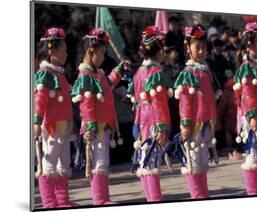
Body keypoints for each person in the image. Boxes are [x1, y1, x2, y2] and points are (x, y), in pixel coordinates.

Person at [71, 28, 129, 205]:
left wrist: (119, 70)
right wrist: (89, 126)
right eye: (101, 53)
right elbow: (86, 104)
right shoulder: (86, 75)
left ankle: (103, 198)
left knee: (103, 161)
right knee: (99, 162)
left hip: (103, 125)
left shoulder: (97, 74)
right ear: (91, 51)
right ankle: (99, 199)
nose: (103, 58)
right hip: (95, 127)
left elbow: (109, 83)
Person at [128, 26, 173, 202]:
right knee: (152, 162)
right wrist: (162, 127)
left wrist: (136, 124)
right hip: (154, 122)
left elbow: (136, 100)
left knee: (145, 161)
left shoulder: (139, 72)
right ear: (159, 51)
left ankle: (150, 198)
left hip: (141, 122)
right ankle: (155, 199)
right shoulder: (156, 73)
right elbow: (159, 103)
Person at [34, 27, 78, 208]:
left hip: (63, 125)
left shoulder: (59, 74)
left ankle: (62, 200)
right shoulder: (45, 74)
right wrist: (36, 122)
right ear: (51, 51)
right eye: (64, 51)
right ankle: (49, 202)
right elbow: (40, 100)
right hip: (51, 124)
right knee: (50, 160)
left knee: (63, 161)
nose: (67, 54)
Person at [173, 25, 217, 199]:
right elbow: (185, 101)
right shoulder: (187, 73)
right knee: (193, 161)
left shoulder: (205, 71)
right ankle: (197, 196)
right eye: (197, 47)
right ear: (188, 49)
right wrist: (185, 123)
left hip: (206, 123)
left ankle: (203, 195)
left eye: (203, 47)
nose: (201, 51)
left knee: (203, 161)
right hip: (193, 125)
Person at [233, 22, 257, 195]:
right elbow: (247, 94)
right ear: (250, 45)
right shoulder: (247, 67)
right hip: (252, 117)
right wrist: (253, 115)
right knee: (253, 157)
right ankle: (254, 194)